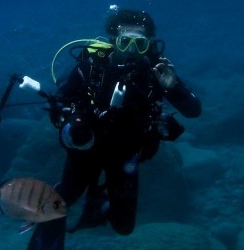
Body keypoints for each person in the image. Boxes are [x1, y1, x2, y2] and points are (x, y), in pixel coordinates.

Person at [28, 8, 202, 250]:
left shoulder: (157, 72)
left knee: (124, 226)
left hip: (127, 152)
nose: (131, 50)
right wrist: (75, 121)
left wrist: (173, 87)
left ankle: (97, 202)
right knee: (61, 201)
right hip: (87, 148)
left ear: (149, 45)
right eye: (124, 42)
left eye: (140, 44)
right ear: (113, 41)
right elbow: (60, 102)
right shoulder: (92, 65)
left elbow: (193, 110)